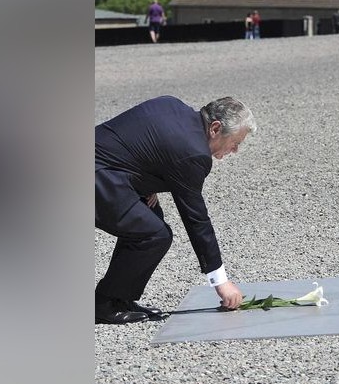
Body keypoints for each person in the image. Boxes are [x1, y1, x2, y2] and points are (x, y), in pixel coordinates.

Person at [94, 96, 255, 324]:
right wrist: (221, 281)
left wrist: (145, 183)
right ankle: (103, 304)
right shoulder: (194, 153)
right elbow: (196, 219)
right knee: (154, 234)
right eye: (235, 142)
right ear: (215, 128)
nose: (235, 149)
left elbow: (143, 143)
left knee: (149, 217)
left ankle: (119, 299)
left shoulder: (172, 105)